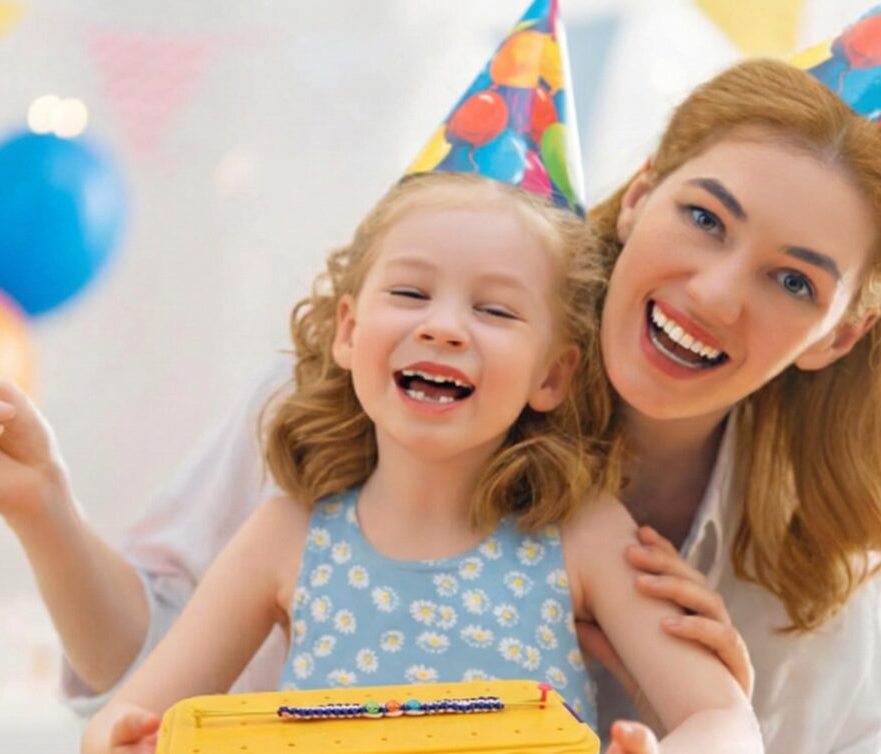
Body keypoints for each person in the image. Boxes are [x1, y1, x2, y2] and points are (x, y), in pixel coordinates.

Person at [0, 56, 881, 754]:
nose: (714, 292)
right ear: (346, 327)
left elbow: (724, 726)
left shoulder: (596, 536)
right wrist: (43, 506)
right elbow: (140, 684)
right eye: (704, 219)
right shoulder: (302, 492)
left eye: (793, 281)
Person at [77, 169, 760, 754]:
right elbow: (122, 718)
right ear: (349, 330)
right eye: (410, 294)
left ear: (552, 374)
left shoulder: (581, 534)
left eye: (495, 309)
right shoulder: (286, 535)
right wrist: (128, 740)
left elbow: (724, 718)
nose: (443, 326)